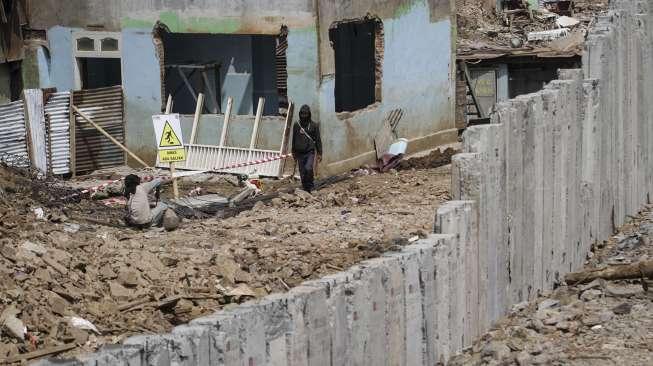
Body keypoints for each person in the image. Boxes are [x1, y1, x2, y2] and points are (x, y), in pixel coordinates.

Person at [292, 105, 322, 193]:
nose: (303, 116)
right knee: (302, 172)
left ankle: (311, 186)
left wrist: (320, 153)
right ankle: (305, 188)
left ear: (309, 114)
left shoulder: (314, 125)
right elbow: (294, 139)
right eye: (302, 114)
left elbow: (318, 140)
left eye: (305, 114)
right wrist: (293, 151)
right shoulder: (296, 125)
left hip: (310, 152)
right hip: (299, 153)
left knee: (308, 168)